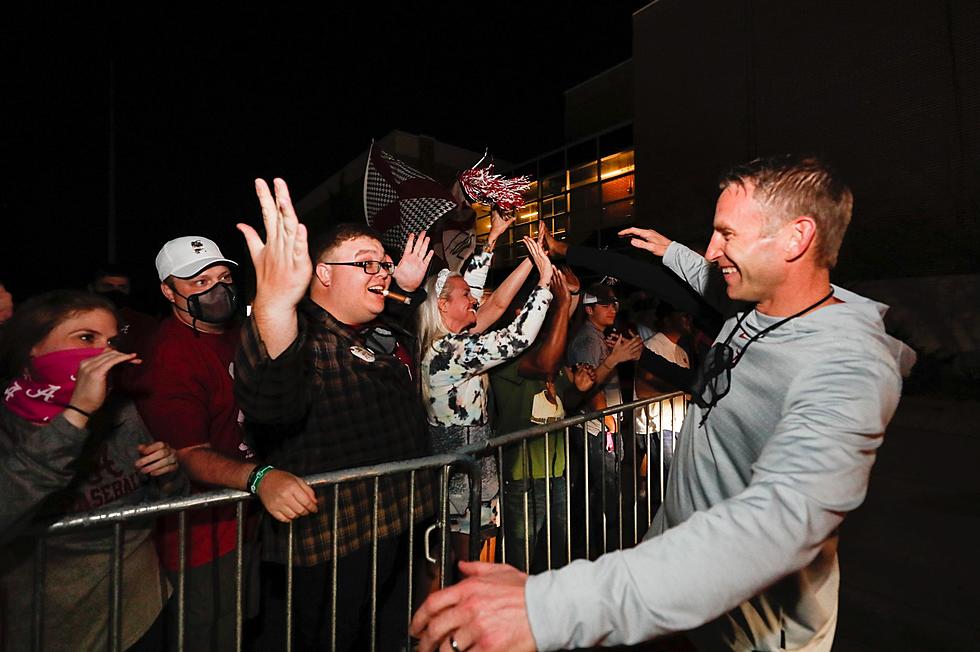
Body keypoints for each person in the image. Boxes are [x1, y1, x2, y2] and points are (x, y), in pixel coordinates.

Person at [411, 155, 915, 651]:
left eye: (728, 235)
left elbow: (777, 524)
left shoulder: (847, 367)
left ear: (796, 238)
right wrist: (669, 250)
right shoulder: (757, 305)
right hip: (670, 590)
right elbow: (697, 275)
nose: (713, 250)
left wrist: (549, 607)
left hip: (751, 629)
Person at [234, 178, 436, 651]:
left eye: (383, 263)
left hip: (399, 522)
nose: (382, 271)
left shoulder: (368, 331)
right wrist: (274, 305)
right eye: (367, 264)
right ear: (322, 274)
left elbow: (394, 330)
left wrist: (399, 286)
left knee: (392, 635)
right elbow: (272, 399)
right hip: (335, 543)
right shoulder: (300, 338)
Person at [137, 235, 314, 651]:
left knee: (242, 623)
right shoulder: (170, 357)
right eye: (199, 282)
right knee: (209, 633)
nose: (217, 290)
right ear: (168, 290)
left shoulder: (238, 332)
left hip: (246, 520)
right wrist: (261, 478)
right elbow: (189, 455)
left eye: (223, 277)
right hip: (200, 534)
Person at [0, 290, 185, 651]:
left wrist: (168, 473)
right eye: (86, 338)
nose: (105, 353)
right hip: (54, 629)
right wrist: (76, 415)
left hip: (143, 611)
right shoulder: (7, 422)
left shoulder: (123, 411)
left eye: (112, 341)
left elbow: (167, 499)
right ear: (32, 348)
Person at [418, 216, 554, 561]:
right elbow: (517, 336)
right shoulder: (449, 351)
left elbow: (483, 299)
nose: (474, 301)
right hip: (458, 476)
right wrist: (545, 282)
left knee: (467, 555)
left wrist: (494, 240)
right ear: (443, 306)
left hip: (472, 467)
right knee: (456, 563)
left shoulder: (454, 338)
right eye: (465, 297)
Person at [491, 267, 593, 573]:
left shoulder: (550, 353)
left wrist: (578, 390)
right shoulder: (506, 355)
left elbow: (562, 405)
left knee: (555, 552)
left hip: (555, 469)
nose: (545, 314)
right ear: (522, 313)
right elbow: (546, 359)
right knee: (520, 558)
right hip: (522, 473)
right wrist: (563, 303)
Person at [566, 283, 643, 556]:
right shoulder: (588, 341)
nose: (612, 309)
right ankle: (605, 552)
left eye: (614, 304)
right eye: (605, 304)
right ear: (589, 310)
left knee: (599, 489)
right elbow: (588, 388)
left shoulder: (599, 337)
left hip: (603, 425)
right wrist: (610, 425)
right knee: (606, 490)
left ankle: (595, 548)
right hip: (598, 426)